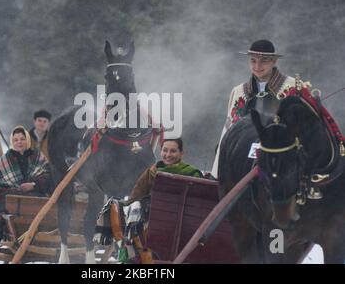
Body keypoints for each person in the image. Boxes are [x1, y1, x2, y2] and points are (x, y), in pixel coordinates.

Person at [211, 39, 299, 178]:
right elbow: (228, 132)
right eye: (253, 60)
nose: (257, 65)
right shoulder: (239, 91)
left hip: (281, 160)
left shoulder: (293, 87)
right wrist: (218, 171)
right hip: (242, 159)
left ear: (274, 61)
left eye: (264, 60)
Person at [0, 125, 54, 250]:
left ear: (28, 140)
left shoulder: (37, 156)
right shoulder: (5, 159)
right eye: (16, 140)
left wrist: (33, 185)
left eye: (22, 139)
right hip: (10, 196)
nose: (19, 142)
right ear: (12, 142)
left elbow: (49, 177)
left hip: (34, 195)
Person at [128, 138, 203, 203]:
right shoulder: (151, 172)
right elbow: (134, 198)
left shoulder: (192, 174)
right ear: (161, 152)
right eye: (165, 150)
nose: (168, 155)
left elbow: (198, 203)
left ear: (181, 154)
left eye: (173, 151)